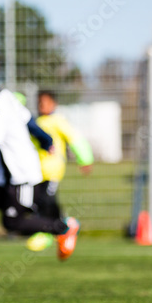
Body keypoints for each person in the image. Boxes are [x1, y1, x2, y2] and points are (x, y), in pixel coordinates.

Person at [0, 51, 78, 278]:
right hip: (3, 171)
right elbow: (29, 121)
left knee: (12, 223)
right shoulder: (7, 96)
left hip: (18, 173)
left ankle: (63, 227)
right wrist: (46, 140)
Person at [26, 90, 94, 251]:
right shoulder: (36, 122)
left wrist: (85, 159)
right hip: (36, 171)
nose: (42, 105)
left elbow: (74, 138)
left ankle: (55, 230)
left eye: (45, 102)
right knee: (37, 201)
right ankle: (60, 228)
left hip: (52, 169)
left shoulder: (58, 121)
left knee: (47, 200)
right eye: (39, 102)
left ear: (54, 104)